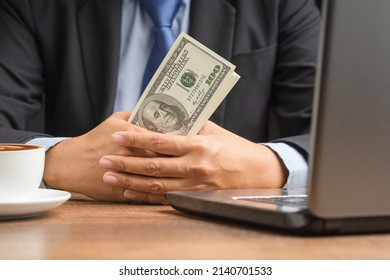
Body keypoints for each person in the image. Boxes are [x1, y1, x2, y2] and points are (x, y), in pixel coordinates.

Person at [0, 0, 320, 204]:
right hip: (78, 229)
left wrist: (267, 167)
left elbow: (345, 134)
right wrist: (57, 161)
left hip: (224, 230)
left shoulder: (283, 5)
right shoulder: (30, 6)